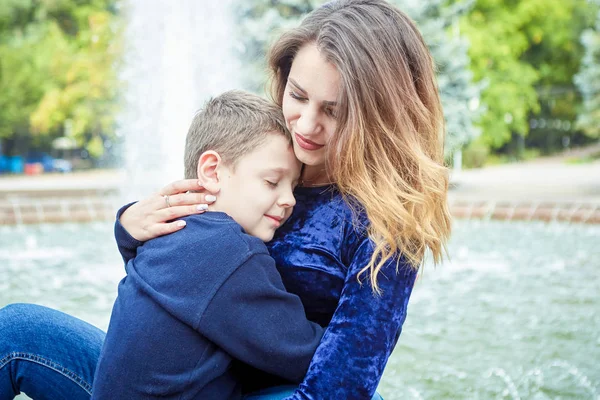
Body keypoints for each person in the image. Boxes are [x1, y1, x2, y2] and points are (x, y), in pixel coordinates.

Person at [0, 0, 451, 399]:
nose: (306, 125)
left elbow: (344, 380)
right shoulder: (266, 156)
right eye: (297, 95)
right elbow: (175, 283)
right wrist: (129, 229)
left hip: (280, 390)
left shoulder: (385, 224)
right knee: (16, 330)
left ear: (379, 114)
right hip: (186, 380)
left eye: (334, 111)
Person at [91, 90, 325, 399]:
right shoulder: (233, 253)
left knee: (18, 325)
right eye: (272, 182)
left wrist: (125, 228)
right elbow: (306, 357)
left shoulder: (171, 230)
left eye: (293, 186)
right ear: (212, 171)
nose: (290, 200)